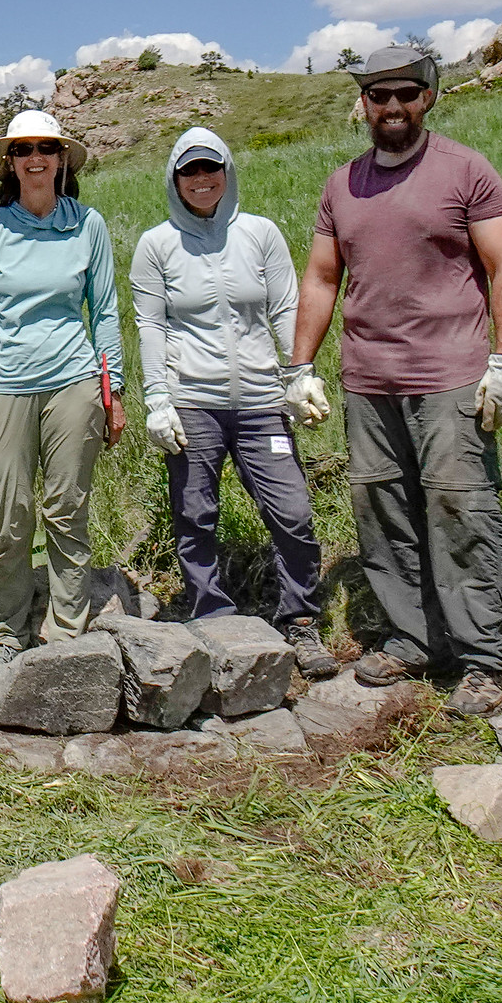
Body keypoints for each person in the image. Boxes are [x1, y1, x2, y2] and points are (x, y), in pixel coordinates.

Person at [286, 45, 502, 717]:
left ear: (428, 97)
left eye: (405, 95)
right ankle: (415, 637)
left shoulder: (467, 171)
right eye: (378, 96)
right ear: (363, 104)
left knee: (462, 510)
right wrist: (299, 366)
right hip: (368, 380)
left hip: (450, 375)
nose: (392, 108)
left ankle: (487, 656)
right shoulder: (343, 184)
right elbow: (322, 277)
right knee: (382, 510)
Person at [130, 127, 335, 681]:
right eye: (189, 171)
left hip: (262, 399)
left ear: (227, 171)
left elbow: (287, 307)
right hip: (192, 400)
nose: (201, 179)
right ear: (174, 179)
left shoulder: (259, 234)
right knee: (195, 513)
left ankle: (300, 620)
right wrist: (157, 400)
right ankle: (212, 613)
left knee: (291, 511)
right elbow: (150, 325)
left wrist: (300, 375)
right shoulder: (157, 245)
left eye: (210, 167)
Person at [0, 111, 126, 683]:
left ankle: (67, 630)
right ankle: (8, 632)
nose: (35, 158)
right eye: (23, 148)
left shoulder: (89, 226)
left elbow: (104, 311)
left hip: (74, 380)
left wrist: (113, 389)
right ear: (10, 161)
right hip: (0, 382)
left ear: (61, 160)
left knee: (68, 509)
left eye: (46, 148)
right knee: (9, 516)